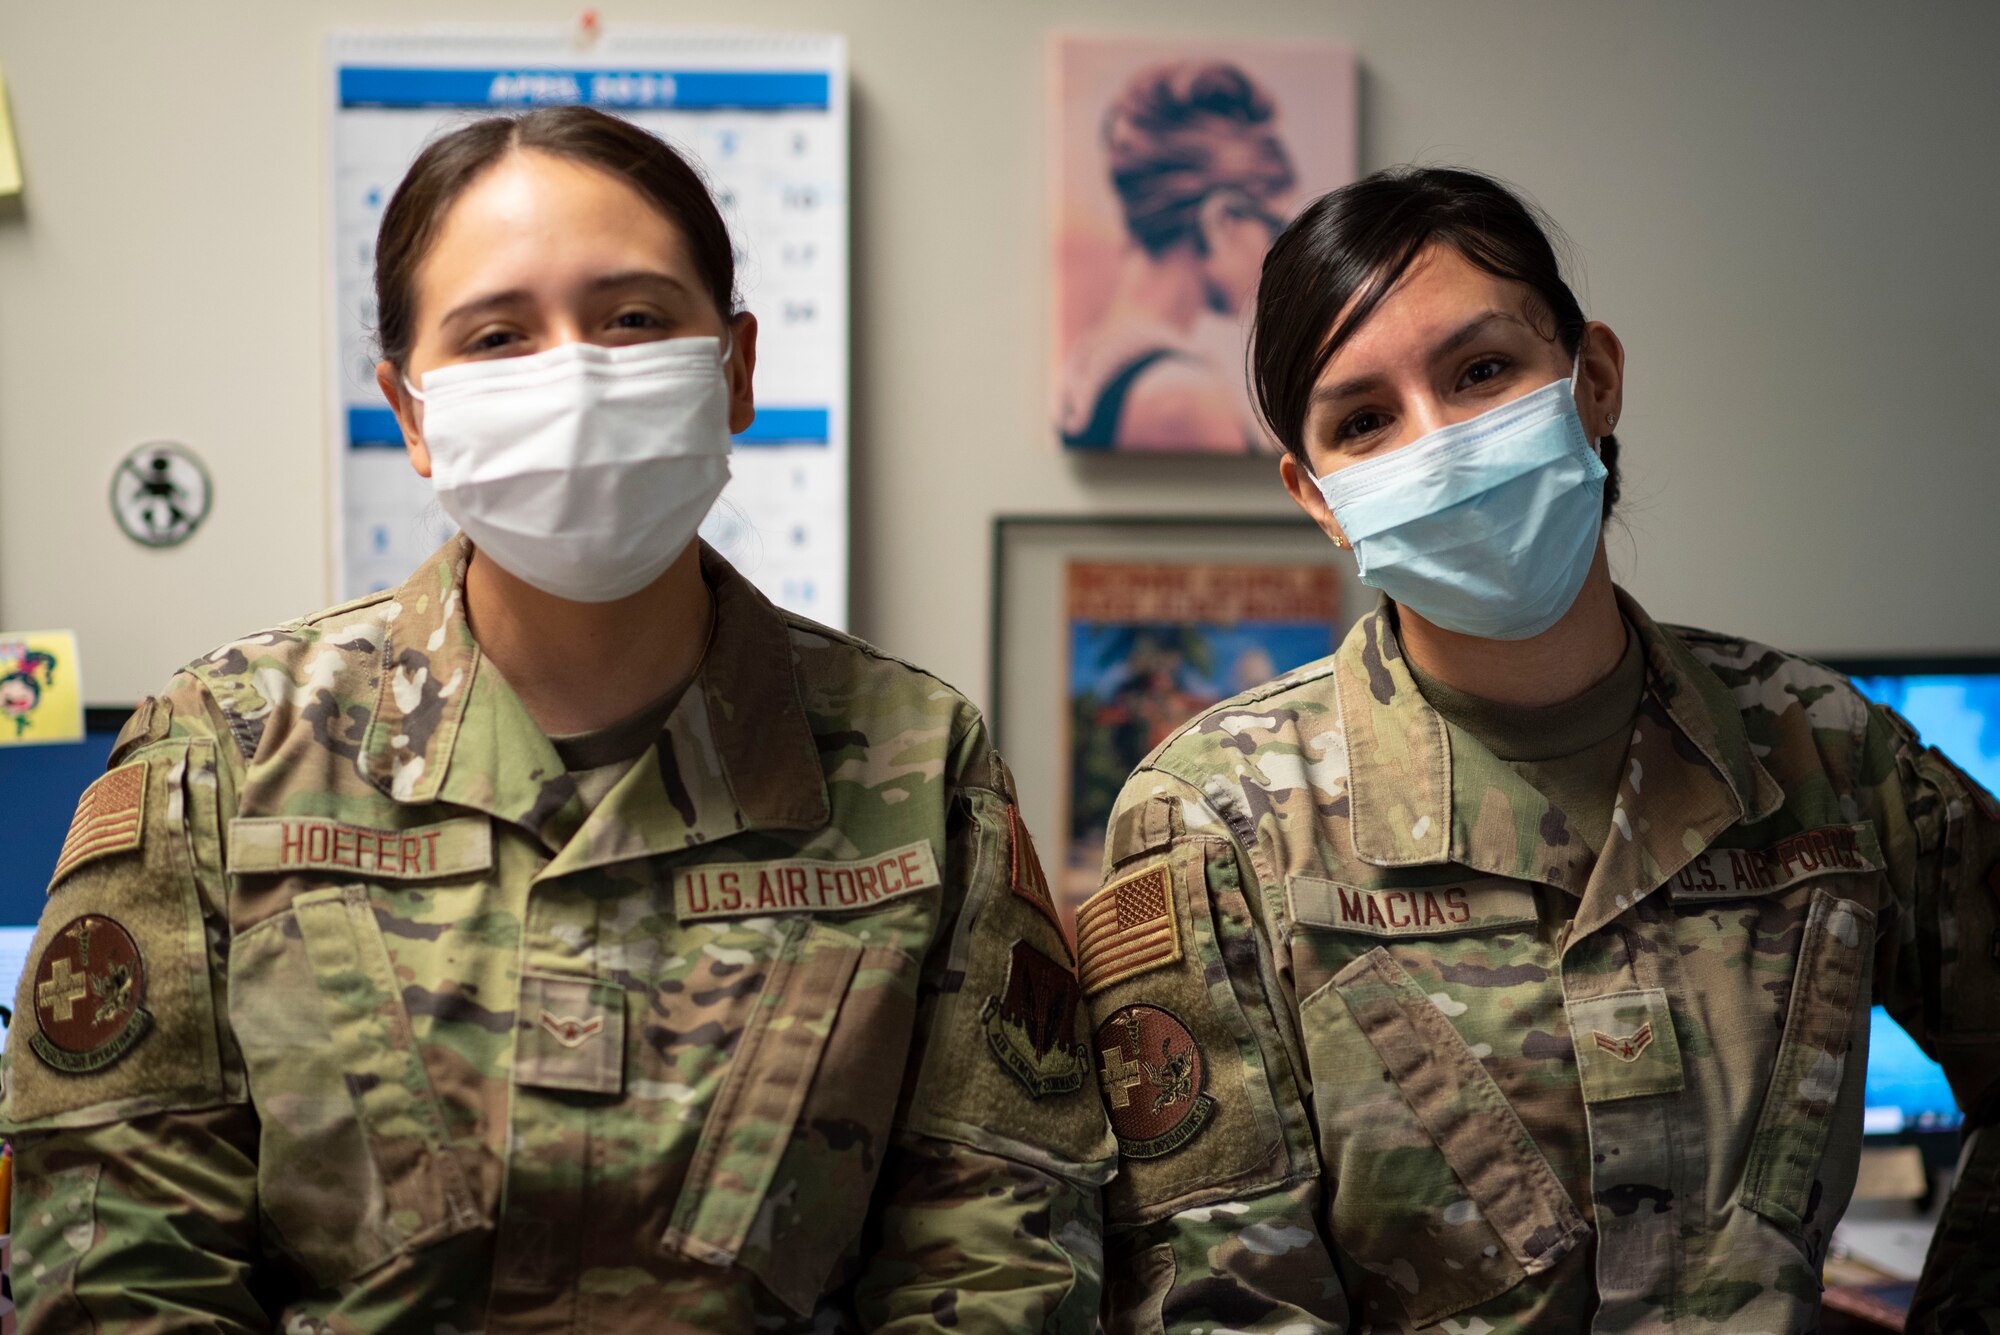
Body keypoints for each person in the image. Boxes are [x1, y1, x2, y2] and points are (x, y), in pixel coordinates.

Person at [0, 106, 1111, 1331]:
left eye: (633, 318)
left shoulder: (914, 762)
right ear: (412, 414)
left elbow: (996, 1257)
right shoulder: (223, 752)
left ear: (734, 370)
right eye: (496, 335)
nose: (572, 373)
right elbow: (121, 1272)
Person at [1077, 166, 1999, 1331]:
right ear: (1316, 498)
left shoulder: (1821, 753)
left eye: (1480, 372)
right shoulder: (1221, 823)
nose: (1441, 445)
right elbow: (1219, 1303)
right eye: (1363, 420)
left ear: (1592, 380)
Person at [1058, 61, 1294, 452]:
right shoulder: (1183, 397)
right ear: (1222, 221)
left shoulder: (1095, 356)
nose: (1276, 253)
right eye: (1274, 228)